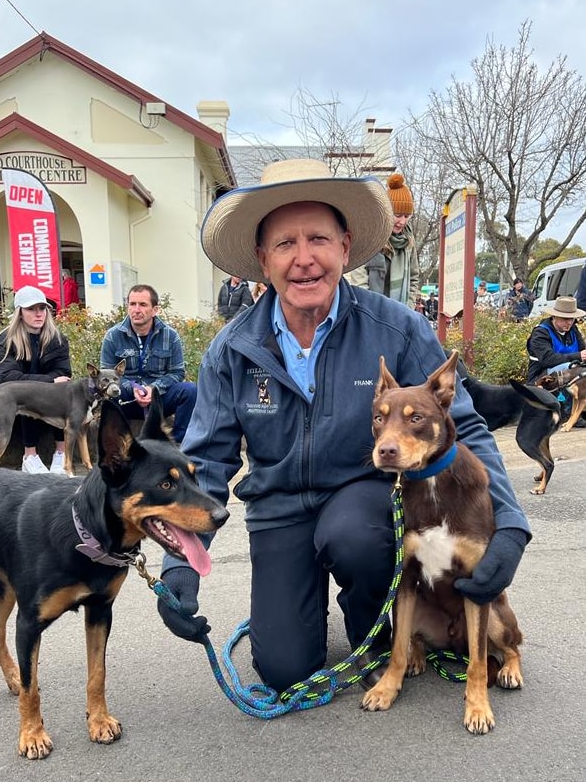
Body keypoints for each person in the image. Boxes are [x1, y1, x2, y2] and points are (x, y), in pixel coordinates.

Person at [155, 157, 531, 695]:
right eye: (285, 244)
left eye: (319, 240)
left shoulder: (397, 328)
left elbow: (463, 427)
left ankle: (373, 632)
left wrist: (511, 525)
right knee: (284, 669)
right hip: (278, 508)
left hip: (361, 499)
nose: (304, 259)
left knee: (357, 536)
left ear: (346, 248)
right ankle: (307, 612)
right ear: (263, 259)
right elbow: (206, 462)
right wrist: (180, 564)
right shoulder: (230, 350)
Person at [100, 284, 197, 443]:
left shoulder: (170, 336)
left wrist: (153, 389)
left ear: (155, 310)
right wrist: (133, 389)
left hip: (159, 400)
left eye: (143, 304)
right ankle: (116, 446)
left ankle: (179, 444)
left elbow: (177, 373)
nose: (136, 309)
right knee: (108, 394)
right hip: (126, 398)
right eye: (132, 304)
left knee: (190, 391)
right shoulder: (113, 336)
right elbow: (106, 375)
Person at [0, 285, 72, 474]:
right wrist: (49, 383)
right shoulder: (5, 340)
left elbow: (64, 372)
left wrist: (51, 384)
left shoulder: (57, 338)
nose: (39, 314)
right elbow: (9, 378)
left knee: (67, 391)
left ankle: (61, 453)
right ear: (20, 313)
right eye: (31, 309)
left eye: (42, 308)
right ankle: (30, 456)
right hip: (12, 400)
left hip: (48, 401)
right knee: (28, 393)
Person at [348, 174, 420, 307]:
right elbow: (359, 283)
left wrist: (408, 307)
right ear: (387, 213)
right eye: (397, 215)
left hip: (401, 313)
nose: (402, 222)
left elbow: (414, 278)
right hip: (371, 311)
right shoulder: (369, 237)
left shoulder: (408, 241)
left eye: (407, 216)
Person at [526, 296, 586, 388]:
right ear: (554, 316)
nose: (569, 323)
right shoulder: (540, 333)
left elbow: (582, 350)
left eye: (572, 319)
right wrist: (578, 356)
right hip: (540, 378)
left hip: (568, 375)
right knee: (572, 367)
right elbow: (548, 359)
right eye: (565, 319)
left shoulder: (573, 329)